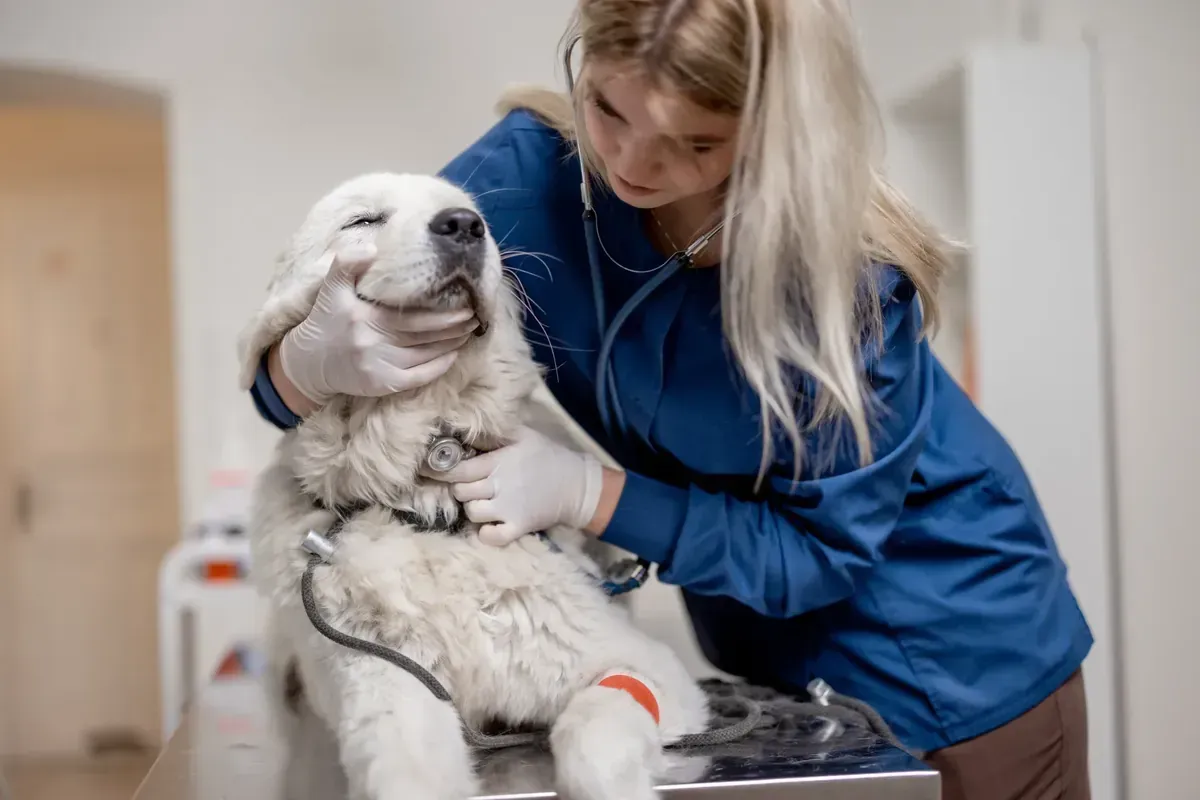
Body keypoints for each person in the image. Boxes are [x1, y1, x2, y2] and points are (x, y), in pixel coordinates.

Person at [247, 1, 1093, 797]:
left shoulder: (847, 281)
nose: (632, 165)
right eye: (610, 112)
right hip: (762, 655)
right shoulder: (524, 179)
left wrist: (590, 492)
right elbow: (358, 300)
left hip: (963, 645)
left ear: (772, 130)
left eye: (695, 144)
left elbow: (822, 554)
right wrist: (300, 366)